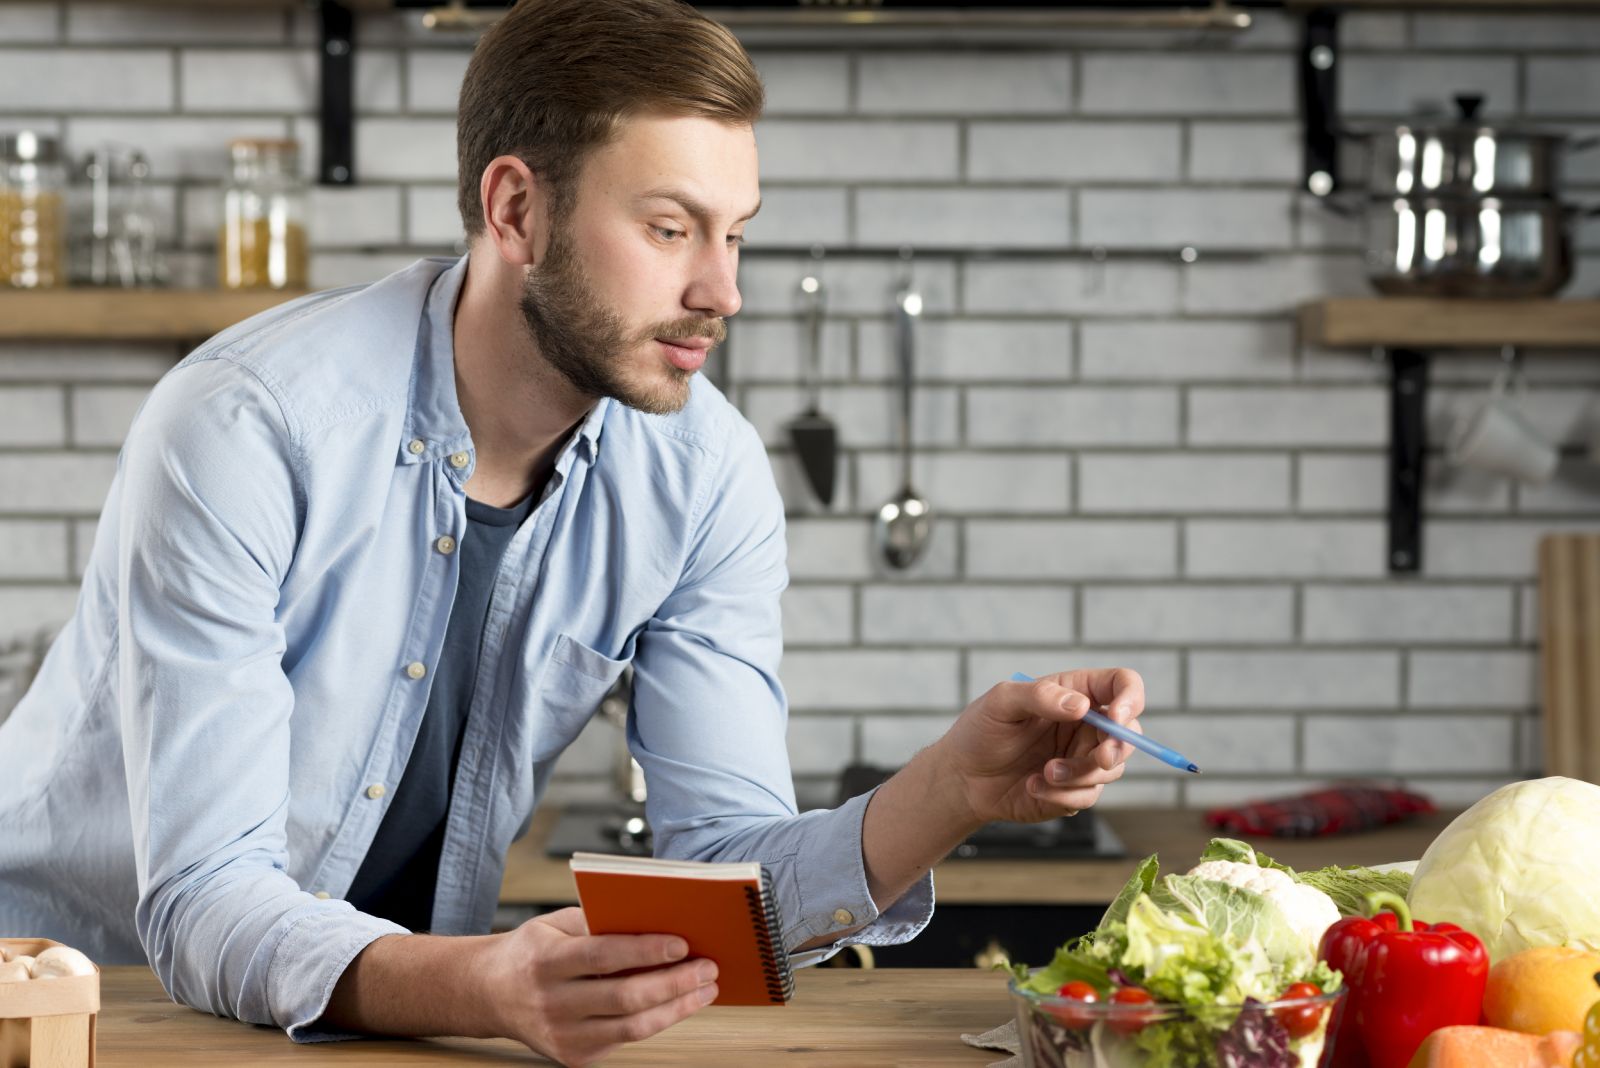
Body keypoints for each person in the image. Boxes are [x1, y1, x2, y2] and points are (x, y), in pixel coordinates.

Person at [0, 0, 1145, 1064]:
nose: (722, 290)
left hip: (390, 1022)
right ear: (516, 211)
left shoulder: (705, 474)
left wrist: (953, 788)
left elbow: (719, 879)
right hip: (90, 1007)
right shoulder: (247, 427)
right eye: (669, 228)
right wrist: (486, 990)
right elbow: (204, 897)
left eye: (735, 234)